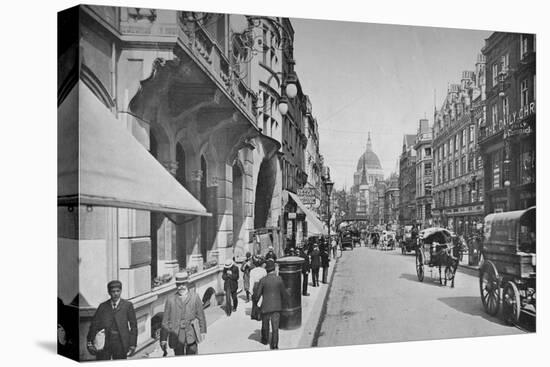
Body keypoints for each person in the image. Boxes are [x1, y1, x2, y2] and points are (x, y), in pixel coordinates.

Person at [86, 280, 137, 360]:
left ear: (121, 291)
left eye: (118, 291)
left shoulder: (127, 305)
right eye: (113, 291)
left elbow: (133, 326)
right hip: (105, 342)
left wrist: (133, 344)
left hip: (121, 342)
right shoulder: (103, 306)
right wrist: (90, 342)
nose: (116, 294)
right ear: (109, 292)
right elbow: (94, 325)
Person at [160, 272, 206, 356]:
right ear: (176, 285)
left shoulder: (195, 297)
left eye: (183, 284)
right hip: (177, 335)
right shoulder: (170, 300)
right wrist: (163, 339)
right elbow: (165, 321)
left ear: (187, 284)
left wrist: (203, 331)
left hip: (191, 332)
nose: (181, 287)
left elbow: (201, 315)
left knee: (192, 355)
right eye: (179, 284)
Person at [252, 260, 289, 349]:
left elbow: (257, 295)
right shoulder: (279, 279)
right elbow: (284, 294)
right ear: (273, 269)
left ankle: (265, 340)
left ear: (266, 270)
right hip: (276, 307)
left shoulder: (263, 280)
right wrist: (285, 304)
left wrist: (255, 304)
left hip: (265, 307)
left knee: (265, 325)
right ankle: (275, 345)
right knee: (275, 328)